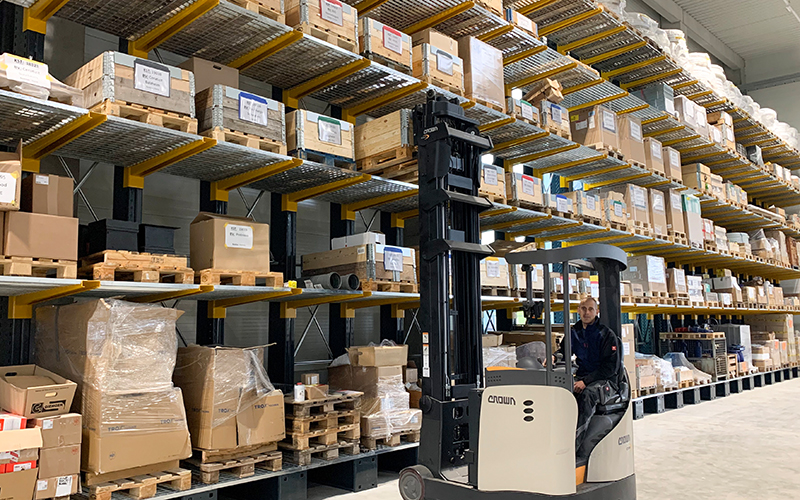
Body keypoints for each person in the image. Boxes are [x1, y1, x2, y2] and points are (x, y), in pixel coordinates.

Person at [558, 296, 624, 453]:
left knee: (587, 396)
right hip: (583, 377)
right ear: (578, 310)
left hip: (606, 381)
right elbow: (564, 351)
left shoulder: (606, 335)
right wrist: (555, 356)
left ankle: (574, 447)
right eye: (583, 308)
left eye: (590, 309)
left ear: (597, 311)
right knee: (561, 393)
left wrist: (586, 381)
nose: (586, 312)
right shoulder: (575, 332)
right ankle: (559, 439)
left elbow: (610, 368)